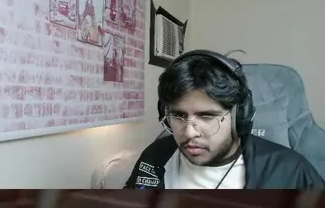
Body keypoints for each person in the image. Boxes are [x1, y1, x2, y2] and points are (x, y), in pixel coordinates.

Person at [124, 50, 325, 189]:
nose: (189, 132)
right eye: (178, 115)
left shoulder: (290, 172)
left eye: (207, 116)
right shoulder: (156, 155)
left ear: (240, 115)